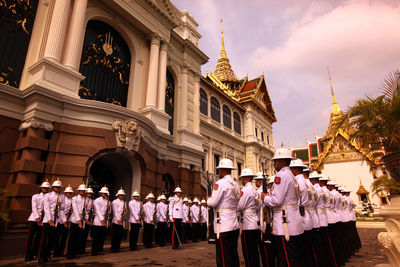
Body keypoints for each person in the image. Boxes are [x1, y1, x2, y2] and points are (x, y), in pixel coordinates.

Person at [261, 148, 305, 267]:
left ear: (281, 162)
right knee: (293, 257)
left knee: (286, 259)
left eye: (275, 162)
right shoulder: (291, 175)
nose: (274, 164)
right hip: (293, 221)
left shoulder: (280, 175)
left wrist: (264, 197)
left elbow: (276, 201)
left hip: (285, 223)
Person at [207, 158, 241, 267]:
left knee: (223, 257)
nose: (218, 172)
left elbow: (213, 202)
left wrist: (208, 198)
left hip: (223, 225)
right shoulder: (235, 184)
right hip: (234, 224)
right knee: (233, 255)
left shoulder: (220, 183)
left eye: (219, 170)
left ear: (222, 170)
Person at [289, 159, 316, 267]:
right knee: (308, 249)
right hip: (308, 214)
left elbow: (294, 200)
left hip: (300, 215)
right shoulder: (306, 182)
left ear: (295, 170)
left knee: (301, 251)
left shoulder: (297, 182)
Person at [237, 168, 261, 267]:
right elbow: (258, 206)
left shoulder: (245, 190)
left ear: (245, 178)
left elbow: (240, 206)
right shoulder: (255, 190)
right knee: (254, 252)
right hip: (255, 222)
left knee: (248, 252)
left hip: (247, 224)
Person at [38, 178, 63, 264]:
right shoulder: (47, 195)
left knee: (51, 240)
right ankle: (41, 257)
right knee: (44, 239)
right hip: (48, 220)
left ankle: (47, 256)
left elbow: (62, 210)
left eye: (59, 187)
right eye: (56, 187)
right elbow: (46, 208)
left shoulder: (61, 196)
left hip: (56, 220)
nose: (57, 188)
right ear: (53, 187)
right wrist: (49, 220)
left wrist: (63, 220)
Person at [25, 181, 50, 261]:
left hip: (44, 220)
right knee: (30, 238)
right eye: (44, 188)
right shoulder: (35, 196)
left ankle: (34, 254)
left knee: (39, 239)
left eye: (47, 188)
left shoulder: (49, 197)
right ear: (41, 188)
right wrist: (37, 218)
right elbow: (34, 207)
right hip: (34, 219)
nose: (45, 189)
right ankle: (27, 256)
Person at [254, 172, 275, 267]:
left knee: (265, 250)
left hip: (264, 221)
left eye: (256, 180)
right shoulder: (268, 191)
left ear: (259, 181)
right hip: (269, 221)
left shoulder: (259, 191)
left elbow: (258, 207)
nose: (255, 182)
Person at [66, 183, 87, 259]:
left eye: (84, 191)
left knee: (77, 238)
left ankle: (74, 253)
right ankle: (69, 254)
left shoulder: (85, 199)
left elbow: (84, 211)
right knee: (72, 238)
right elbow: (74, 209)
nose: (83, 192)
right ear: (79, 191)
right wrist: (78, 220)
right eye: (81, 190)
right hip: (75, 220)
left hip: (81, 220)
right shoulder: (74, 198)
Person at [54, 185, 73, 258]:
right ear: (65, 192)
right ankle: (56, 252)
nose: (69, 193)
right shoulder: (61, 198)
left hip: (67, 220)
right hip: (60, 220)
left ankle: (61, 251)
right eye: (68, 192)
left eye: (70, 192)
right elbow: (59, 210)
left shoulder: (72, 200)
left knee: (64, 238)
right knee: (57, 237)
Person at [92, 186, 110, 256]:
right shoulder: (97, 200)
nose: (104, 194)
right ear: (101, 193)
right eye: (103, 193)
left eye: (106, 193)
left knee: (101, 238)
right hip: (98, 221)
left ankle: (99, 250)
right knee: (96, 237)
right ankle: (94, 251)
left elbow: (109, 212)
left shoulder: (108, 201)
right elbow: (97, 211)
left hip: (105, 221)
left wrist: (109, 208)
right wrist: (102, 220)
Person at [79, 187, 94, 254]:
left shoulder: (92, 200)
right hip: (83, 218)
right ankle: (78, 249)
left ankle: (82, 249)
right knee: (81, 235)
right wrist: (85, 219)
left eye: (90, 193)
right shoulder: (83, 199)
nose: (89, 194)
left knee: (85, 235)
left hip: (89, 217)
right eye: (88, 193)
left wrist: (92, 209)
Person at [111, 188, 127, 252]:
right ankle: (113, 248)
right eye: (120, 195)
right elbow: (115, 211)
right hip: (116, 220)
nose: (122, 196)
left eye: (122, 195)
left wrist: (125, 211)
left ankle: (118, 247)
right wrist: (118, 219)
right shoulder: (114, 201)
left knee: (119, 235)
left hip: (121, 219)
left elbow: (125, 212)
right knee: (114, 235)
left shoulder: (124, 202)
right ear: (118, 195)